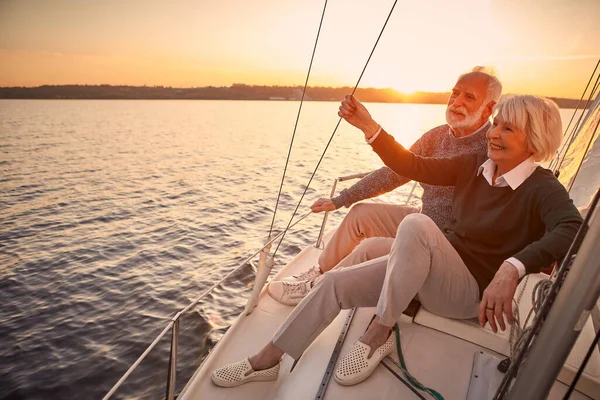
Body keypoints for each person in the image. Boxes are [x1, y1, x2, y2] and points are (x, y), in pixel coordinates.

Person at [211, 94, 582, 388]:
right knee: (335, 283)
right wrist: (370, 129)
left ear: (534, 139)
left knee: (417, 225)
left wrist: (512, 267)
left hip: (468, 295)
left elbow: (571, 230)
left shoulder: (542, 187)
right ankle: (267, 360)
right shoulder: (473, 164)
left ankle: (380, 330)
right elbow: (413, 165)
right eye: (496, 124)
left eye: (508, 129)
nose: (494, 133)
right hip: (435, 271)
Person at [267, 67, 503, 306]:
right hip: (424, 218)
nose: (456, 102)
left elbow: (411, 165)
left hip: (446, 244)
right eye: (455, 93)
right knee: (360, 214)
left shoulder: (492, 148)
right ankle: (320, 272)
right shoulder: (437, 136)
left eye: (469, 97)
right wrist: (342, 199)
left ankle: (320, 290)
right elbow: (395, 172)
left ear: (489, 108)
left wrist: (370, 127)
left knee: (370, 247)